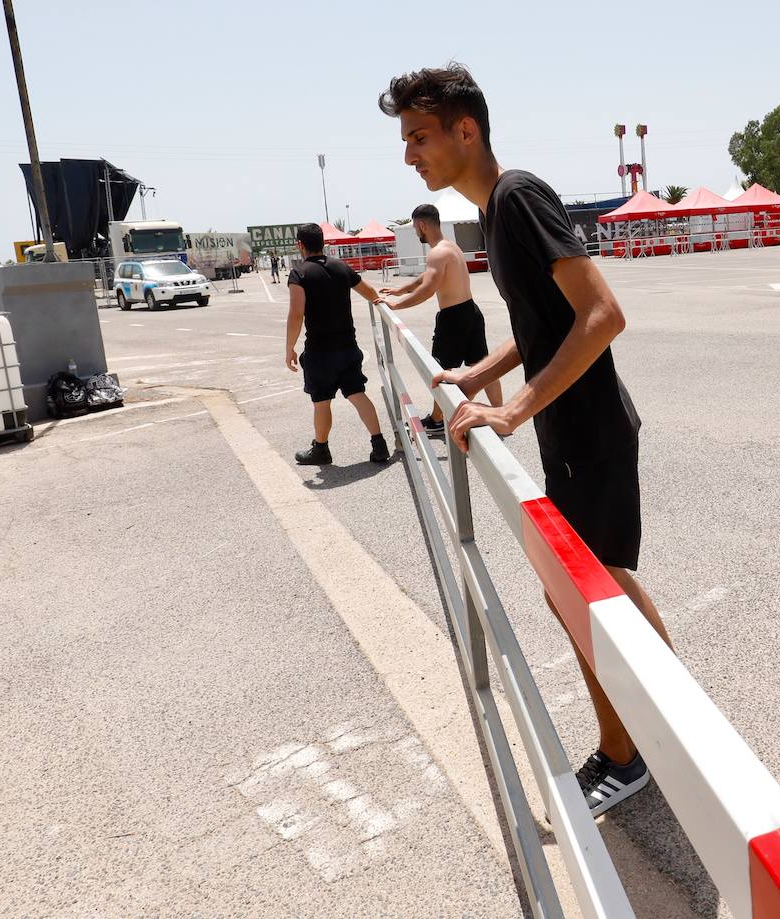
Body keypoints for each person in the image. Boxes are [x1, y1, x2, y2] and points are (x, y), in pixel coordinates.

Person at [380, 64, 673, 816]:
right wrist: (481, 373)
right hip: (573, 429)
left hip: (590, 430)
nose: (410, 154)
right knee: (590, 588)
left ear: (464, 129)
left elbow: (602, 313)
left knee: (586, 591)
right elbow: (544, 325)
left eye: (419, 136)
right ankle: (663, 731)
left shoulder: (517, 199)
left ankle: (634, 749)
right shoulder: (499, 211)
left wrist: (511, 413)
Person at [380, 203, 502, 434]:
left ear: (421, 225)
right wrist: (398, 291)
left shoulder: (437, 253)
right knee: (482, 367)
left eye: (416, 228)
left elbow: (427, 289)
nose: (416, 232)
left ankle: (437, 421)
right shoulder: (450, 247)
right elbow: (423, 280)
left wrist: (396, 305)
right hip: (471, 312)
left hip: (454, 317)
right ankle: (500, 416)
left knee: (440, 371)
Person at [284, 223, 390, 466]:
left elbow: (296, 314)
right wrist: (384, 303)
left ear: (300, 245)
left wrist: (289, 347)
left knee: (321, 402)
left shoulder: (299, 274)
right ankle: (379, 444)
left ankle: (321, 450)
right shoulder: (341, 266)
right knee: (357, 394)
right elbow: (369, 292)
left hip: (320, 352)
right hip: (348, 346)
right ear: (323, 242)